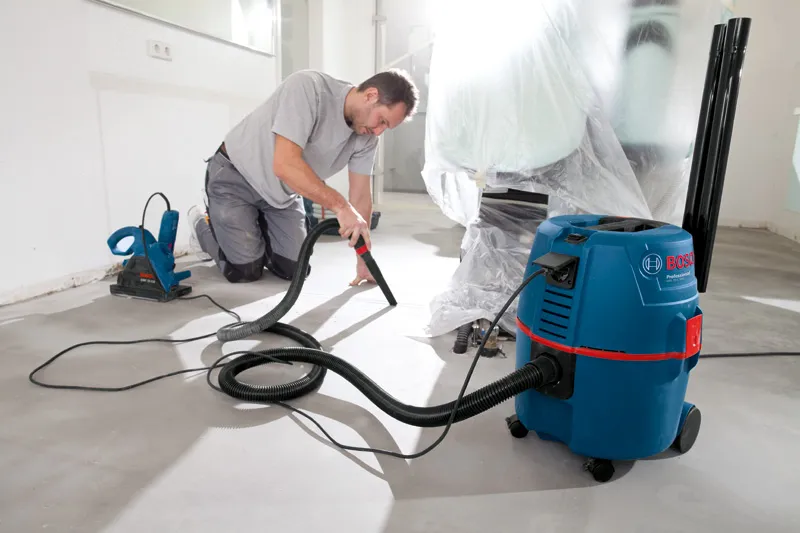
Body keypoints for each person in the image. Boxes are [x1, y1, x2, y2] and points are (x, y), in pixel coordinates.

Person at [188, 68, 419, 285]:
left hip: (282, 195)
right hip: (236, 178)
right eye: (382, 121)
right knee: (244, 271)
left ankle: (249, 230)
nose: (378, 131)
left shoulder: (367, 138)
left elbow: (360, 198)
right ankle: (201, 225)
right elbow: (285, 165)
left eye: (386, 127)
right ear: (370, 95)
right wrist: (340, 206)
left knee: (294, 269)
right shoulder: (308, 88)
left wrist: (363, 260)